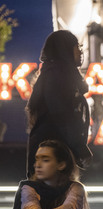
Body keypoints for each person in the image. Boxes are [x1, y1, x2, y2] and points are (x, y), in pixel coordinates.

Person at [26, 30, 92, 178]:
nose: (81, 52)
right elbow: (62, 115)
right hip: (52, 155)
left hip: (54, 152)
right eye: (77, 46)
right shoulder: (57, 75)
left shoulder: (55, 74)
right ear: (65, 49)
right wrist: (80, 147)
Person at [11, 140, 89, 209]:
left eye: (45, 160)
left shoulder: (74, 188)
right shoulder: (28, 187)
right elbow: (29, 202)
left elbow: (70, 206)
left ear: (61, 165)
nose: (38, 164)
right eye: (37, 159)